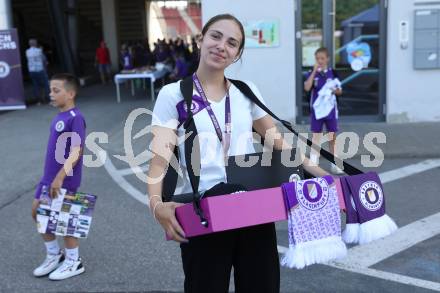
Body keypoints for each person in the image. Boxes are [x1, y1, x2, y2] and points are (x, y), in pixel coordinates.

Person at [147, 14, 329, 293]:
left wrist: (323, 176)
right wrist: (157, 205)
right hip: (203, 210)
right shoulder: (174, 94)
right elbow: (160, 158)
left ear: (237, 55)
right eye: (216, 36)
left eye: (232, 43)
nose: (222, 46)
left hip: (253, 207)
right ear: (201, 40)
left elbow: (278, 144)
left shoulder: (246, 92)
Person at [31, 73, 87, 280]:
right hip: (49, 177)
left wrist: (60, 177)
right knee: (37, 212)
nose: (51, 94)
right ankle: (55, 255)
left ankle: (74, 261)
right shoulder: (59, 116)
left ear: (70, 93)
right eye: (50, 90)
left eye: (56, 90)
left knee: (64, 220)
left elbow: (76, 150)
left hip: (64, 178)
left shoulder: (76, 118)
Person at [304, 47, 344, 174]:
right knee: (317, 136)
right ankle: (314, 162)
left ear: (327, 58)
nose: (319, 61)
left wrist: (333, 89)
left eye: (322, 58)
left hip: (330, 110)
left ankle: (335, 163)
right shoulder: (312, 72)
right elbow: (307, 87)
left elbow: (339, 91)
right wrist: (314, 71)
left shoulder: (333, 73)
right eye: (317, 59)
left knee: (332, 137)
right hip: (317, 110)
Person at [26, 39, 50, 105]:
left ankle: (39, 101)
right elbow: (44, 60)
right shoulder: (39, 51)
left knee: (36, 85)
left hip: (32, 70)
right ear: (36, 43)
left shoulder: (27, 51)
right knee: (46, 84)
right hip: (40, 69)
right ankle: (48, 99)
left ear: (29, 44)